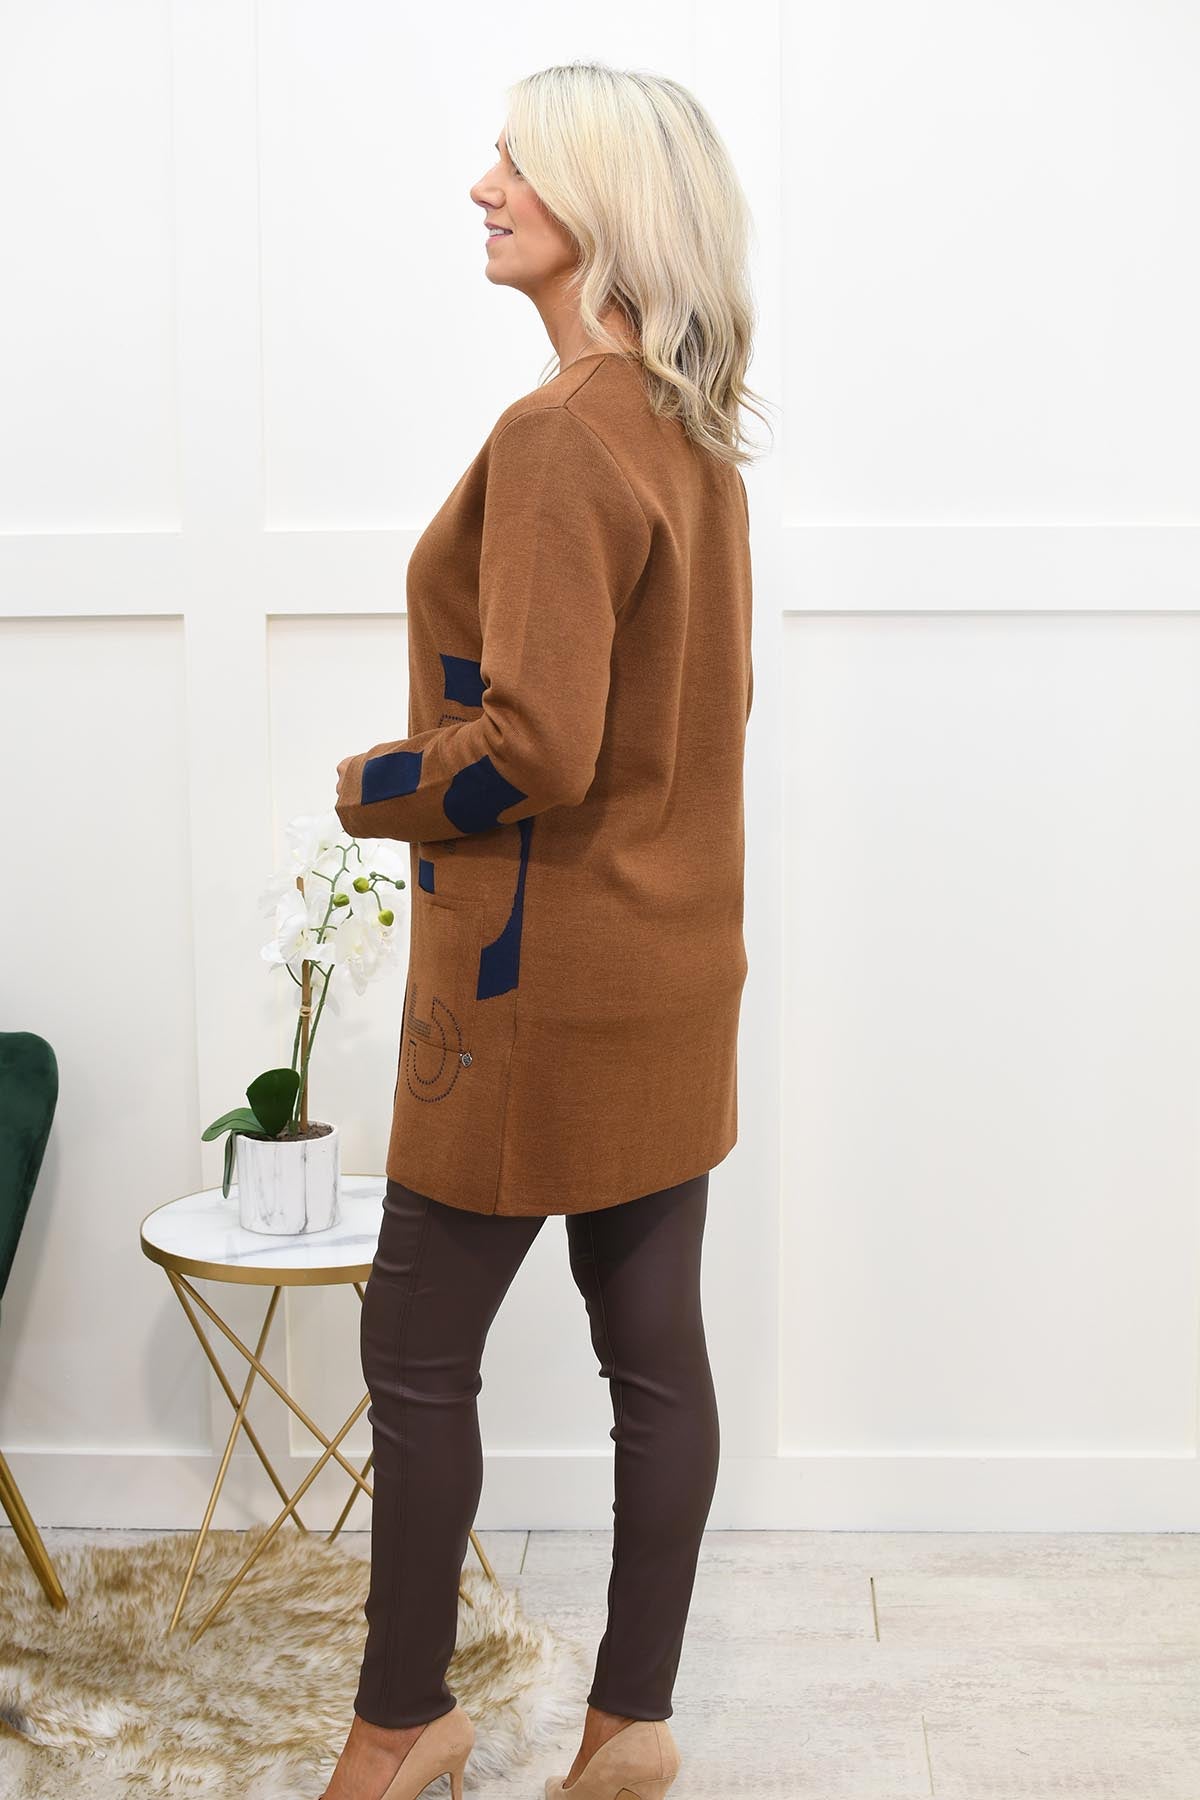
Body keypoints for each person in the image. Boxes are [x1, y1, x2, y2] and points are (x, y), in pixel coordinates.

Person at [322, 57, 765, 1800]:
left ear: (605, 201)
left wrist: (370, 785)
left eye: (518, 159)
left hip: (529, 993)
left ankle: (400, 1726)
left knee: (415, 1355)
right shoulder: (687, 428)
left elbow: (535, 751)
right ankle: (630, 1723)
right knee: (655, 1360)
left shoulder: (565, 431)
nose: (484, 183)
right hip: (670, 975)